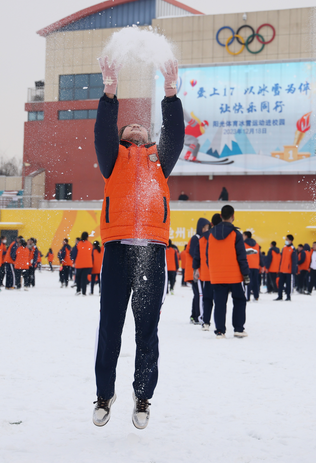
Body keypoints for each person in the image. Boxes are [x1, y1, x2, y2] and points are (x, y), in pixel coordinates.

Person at [91, 56, 183, 430]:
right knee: (110, 326)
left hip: (151, 254)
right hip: (116, 252)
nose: (135, 128)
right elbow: (101, 134)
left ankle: (143, 397)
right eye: (128, 127)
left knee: (147, 329)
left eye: (140, 127)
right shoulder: (112, 161)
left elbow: (175, 135)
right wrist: (109, 95)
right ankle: (104, 394)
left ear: (150, 138)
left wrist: (171, 95)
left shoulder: (160, 160)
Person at [207, 205, 249, 337]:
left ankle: (220, 330)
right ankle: (238, 329)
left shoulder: (211, 234)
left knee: (219, 303)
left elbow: (208, 256)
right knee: (239, 300)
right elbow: (241, 256)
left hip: (217, 276)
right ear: (233, 216)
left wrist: (213, 270)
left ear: (220, 216)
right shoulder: (236, 234)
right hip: (234, 275)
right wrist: (246, 273)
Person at [188, 219, 210, 325]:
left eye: (208, 228)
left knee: (198, 294)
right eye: (204, 227)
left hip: (201, 270)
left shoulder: (203, 238)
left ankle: (195, 315)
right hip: (196, 271)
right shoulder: (196, 238)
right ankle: (196, 315)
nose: (206, 229)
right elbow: (193, 253)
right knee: (198, 294)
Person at [273, 234, 297, 301]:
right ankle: (280, 296)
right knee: (280, 284)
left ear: (291, 241)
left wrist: (293, 270)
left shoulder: (292, 249)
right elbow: (281, 259)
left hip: (288, 270)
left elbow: (294, 260)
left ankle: (288, 296)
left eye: (287, 239)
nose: (286, 241)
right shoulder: (284, 248)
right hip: (282, 269)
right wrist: (279, 268)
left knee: (288, 284)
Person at [243, 231, 261, 301]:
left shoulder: (243, 244)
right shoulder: (257, 244)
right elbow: (259, 255)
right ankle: (256, 296)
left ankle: (247, 296)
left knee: (247, 281)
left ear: (246, 236)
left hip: (248, 265)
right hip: (256, 266)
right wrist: (261, 265)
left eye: (243, 235)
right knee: (255, 281)